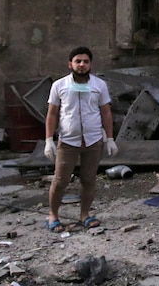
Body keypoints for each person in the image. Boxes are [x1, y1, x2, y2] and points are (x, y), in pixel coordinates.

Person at [44, 46, 117, 232]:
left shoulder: (99, 85)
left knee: (88, 179)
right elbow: (52, 114)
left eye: (85, 61)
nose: (82, 65)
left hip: (93, 141)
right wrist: (48, 140)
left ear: (90, 64)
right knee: (60, 180)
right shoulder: (59, 86)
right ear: (70, 64)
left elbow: (106, 112)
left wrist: (109, 138)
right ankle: (53, 215)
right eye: (78, 61)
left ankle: (85, 214)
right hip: (68, 141)